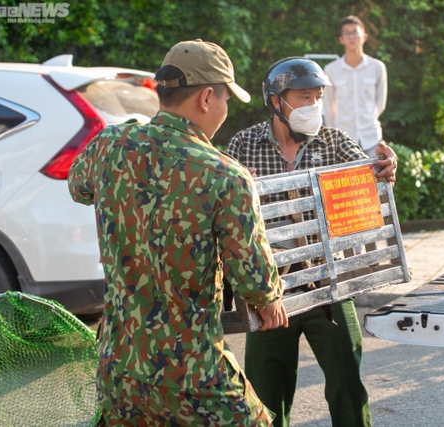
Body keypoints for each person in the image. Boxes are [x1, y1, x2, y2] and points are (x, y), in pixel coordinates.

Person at [68, 39, 288, 427]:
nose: (225, 108)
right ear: (207, 98)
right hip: (193, 378)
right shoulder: (225, 175)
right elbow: (255, 282)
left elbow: (78, 186)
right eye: (226, 99)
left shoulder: (110, 146)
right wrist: (270, 302)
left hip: (120, 370)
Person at [226, 57, 398, 427]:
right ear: (276, 101)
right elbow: (223, 208)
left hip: (329, 286)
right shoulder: (243, 145)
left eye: (318, 98)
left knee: (347, 385)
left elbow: (368, 176)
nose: (313, 106)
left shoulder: (335, 141)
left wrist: (385, 168)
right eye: (304, 98)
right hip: (271, 293)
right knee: (267, 394)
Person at [323, 15, 388, 158]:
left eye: (355, 32)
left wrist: (368, 120)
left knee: (377, 179)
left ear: (364, 36)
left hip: (372, 138)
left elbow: (380, 103)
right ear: (341, 39)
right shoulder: (331, 70)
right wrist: (333, 137)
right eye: (347, 33)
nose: (351, 36)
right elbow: (328, 107)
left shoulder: (377, 67)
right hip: (343, 141)